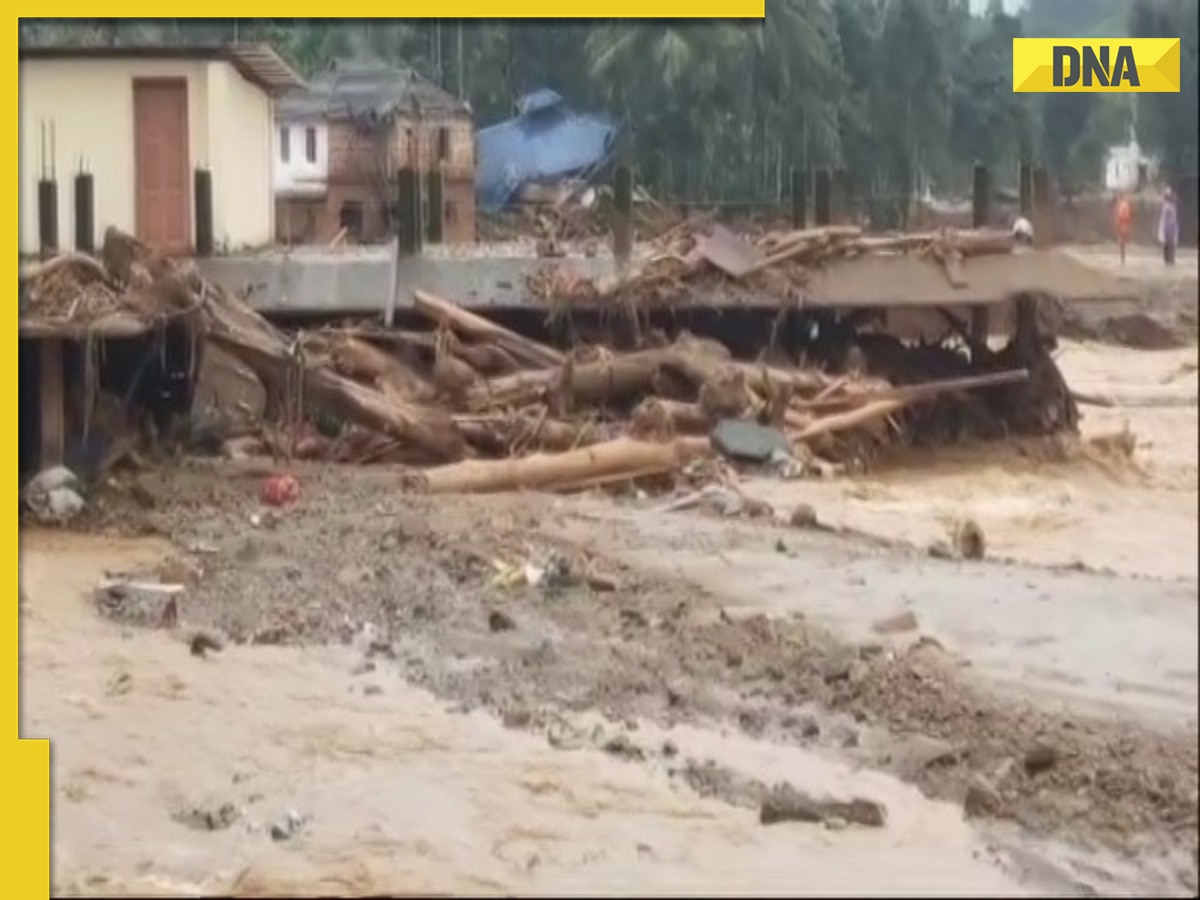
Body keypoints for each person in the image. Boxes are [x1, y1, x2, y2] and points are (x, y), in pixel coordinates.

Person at [1158, 186, 1179, 266]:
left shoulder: (1171, 206)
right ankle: (1168, 259)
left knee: (1170, 244)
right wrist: (1164, 229)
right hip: (1168, 228)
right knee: (1169, 244)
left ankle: (1169, 259)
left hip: (1172, 227)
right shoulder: (1167, 206)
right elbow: (1164, 219)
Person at [1114, 192, 1132, 265]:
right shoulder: (1125, 204)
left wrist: (1118, 223)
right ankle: (1122, 258)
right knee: (1122, 242)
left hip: (1122, 224)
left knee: (1122, 242)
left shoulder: (1121, 205)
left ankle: (1122, 259)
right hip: (1125, 224)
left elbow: (1121, 215)